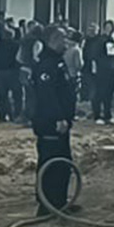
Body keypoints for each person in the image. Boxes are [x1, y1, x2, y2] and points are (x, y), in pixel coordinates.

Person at [32, 26, 77, 215]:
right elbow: (47, 95)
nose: (66, 42)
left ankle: (59, 202)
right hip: (50, 123)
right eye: (62, 39)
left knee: (63, 164)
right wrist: (58, 117)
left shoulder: (58, 62)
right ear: (53, 40)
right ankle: (47, 205)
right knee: (50, 163)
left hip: (62, 123)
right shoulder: (46, 65)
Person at [89, 20, 114, 125]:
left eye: (110, 27)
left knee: (109, 94)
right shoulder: (99, 40)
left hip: (111, 69)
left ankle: (108, 115)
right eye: (107, 27)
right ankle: (97, 115)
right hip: (102, 70)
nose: (108, 29)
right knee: (99, 93)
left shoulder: (112, 40)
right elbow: (94, 55)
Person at [0, 28, 21, 122]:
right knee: (17, 95)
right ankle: (16, 115)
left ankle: (2, 116)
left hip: (0, 73)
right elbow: (18, 59)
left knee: (2, 96)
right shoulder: (16, 45)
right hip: (13, 72)